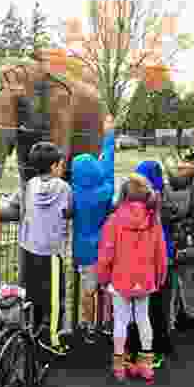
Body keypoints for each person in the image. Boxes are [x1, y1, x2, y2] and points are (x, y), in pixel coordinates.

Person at [96, 173, 167, 384]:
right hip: (145, 279)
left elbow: (106, 253)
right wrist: (159, 276)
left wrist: (103, 276)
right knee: (144, 319)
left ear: (124, 194)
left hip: (120, 279)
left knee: (121, 320)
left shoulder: (114, 220)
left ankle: (119, 365)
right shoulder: (153, 219)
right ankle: (146, 364)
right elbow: (160, 252)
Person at [10, 141, 72, 356]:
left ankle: (31, 333)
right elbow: (71, 208)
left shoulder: (29, 186)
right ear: (55, 166)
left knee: (33, 294)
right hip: (52, 251)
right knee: (55, 298)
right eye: (61, 164)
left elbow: (15, 202)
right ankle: (53, 339)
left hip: (30, 248)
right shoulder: (64, 188)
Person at [71, 115, 116, 344]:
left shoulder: (74, 194)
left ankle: (88, 326)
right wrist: (109, 135)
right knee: (107, 288)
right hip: (106, 248)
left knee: (87, 291)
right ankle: (108, 323)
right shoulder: (106, 190)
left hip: (85, 251)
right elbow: (108, 169)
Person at [133, 160, 175, 368]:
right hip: (164, 258)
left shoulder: (139, 204)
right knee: (160, 305)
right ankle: (161, 344)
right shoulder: (166, 198)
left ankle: (144, 348)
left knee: (143, 308)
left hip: (145, 260)